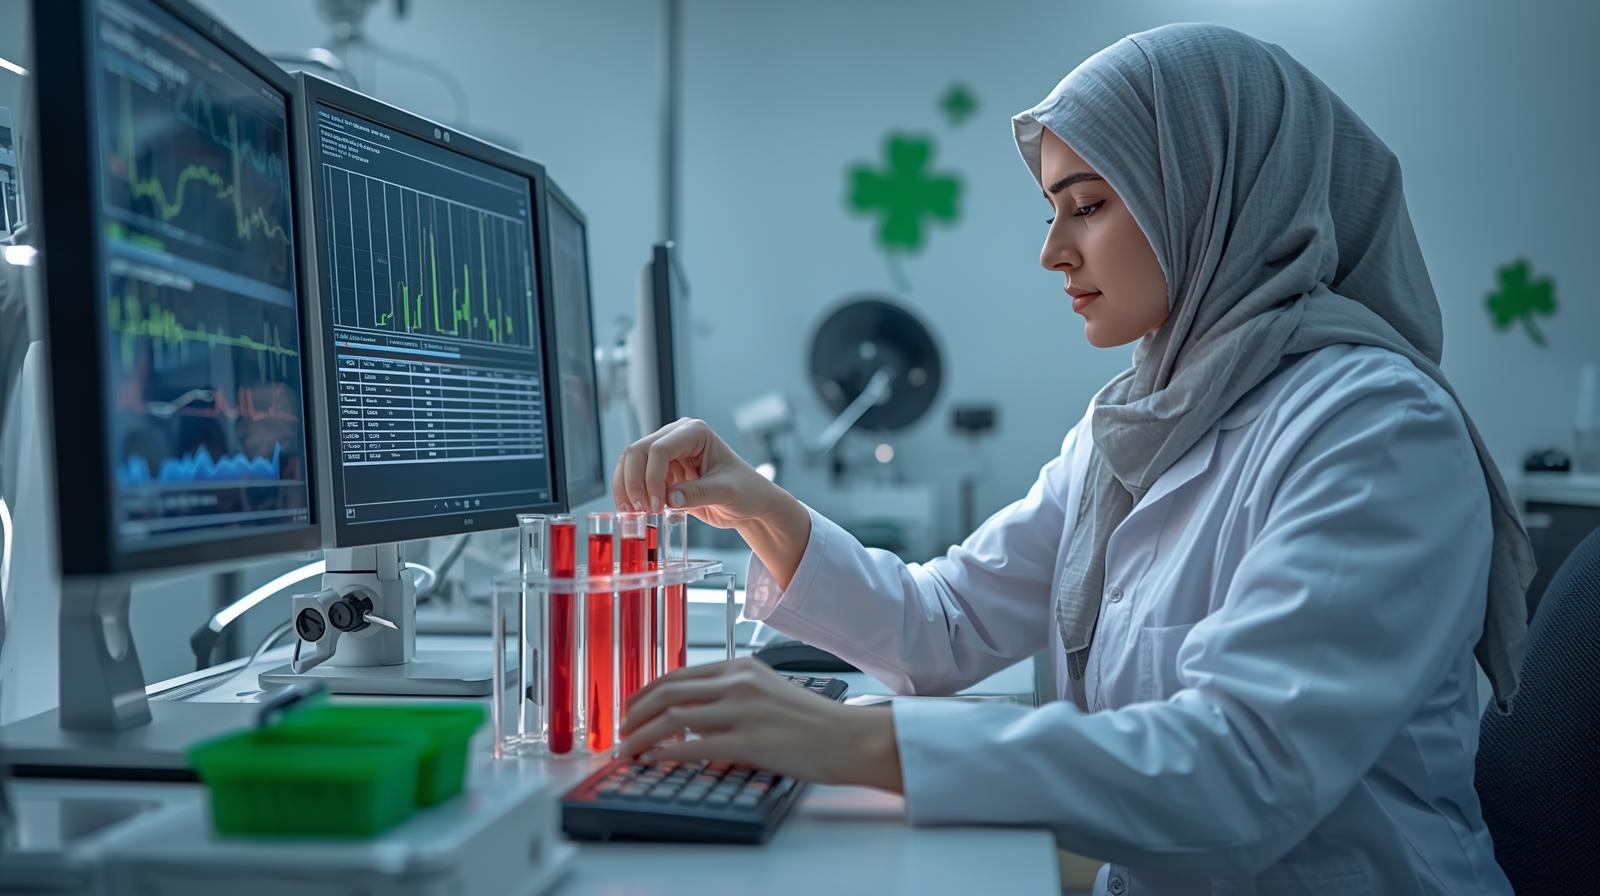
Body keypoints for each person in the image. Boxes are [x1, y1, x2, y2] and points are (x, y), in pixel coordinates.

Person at [614, 23, 1534, 895]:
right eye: (1055, 211)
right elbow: (944, 625)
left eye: (1087, 206)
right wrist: (762, 511)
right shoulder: (1134, 422)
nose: (1053, 252)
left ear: (1213, 195)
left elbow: (1244, 770)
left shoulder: (1374, 428)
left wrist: (854, 743)